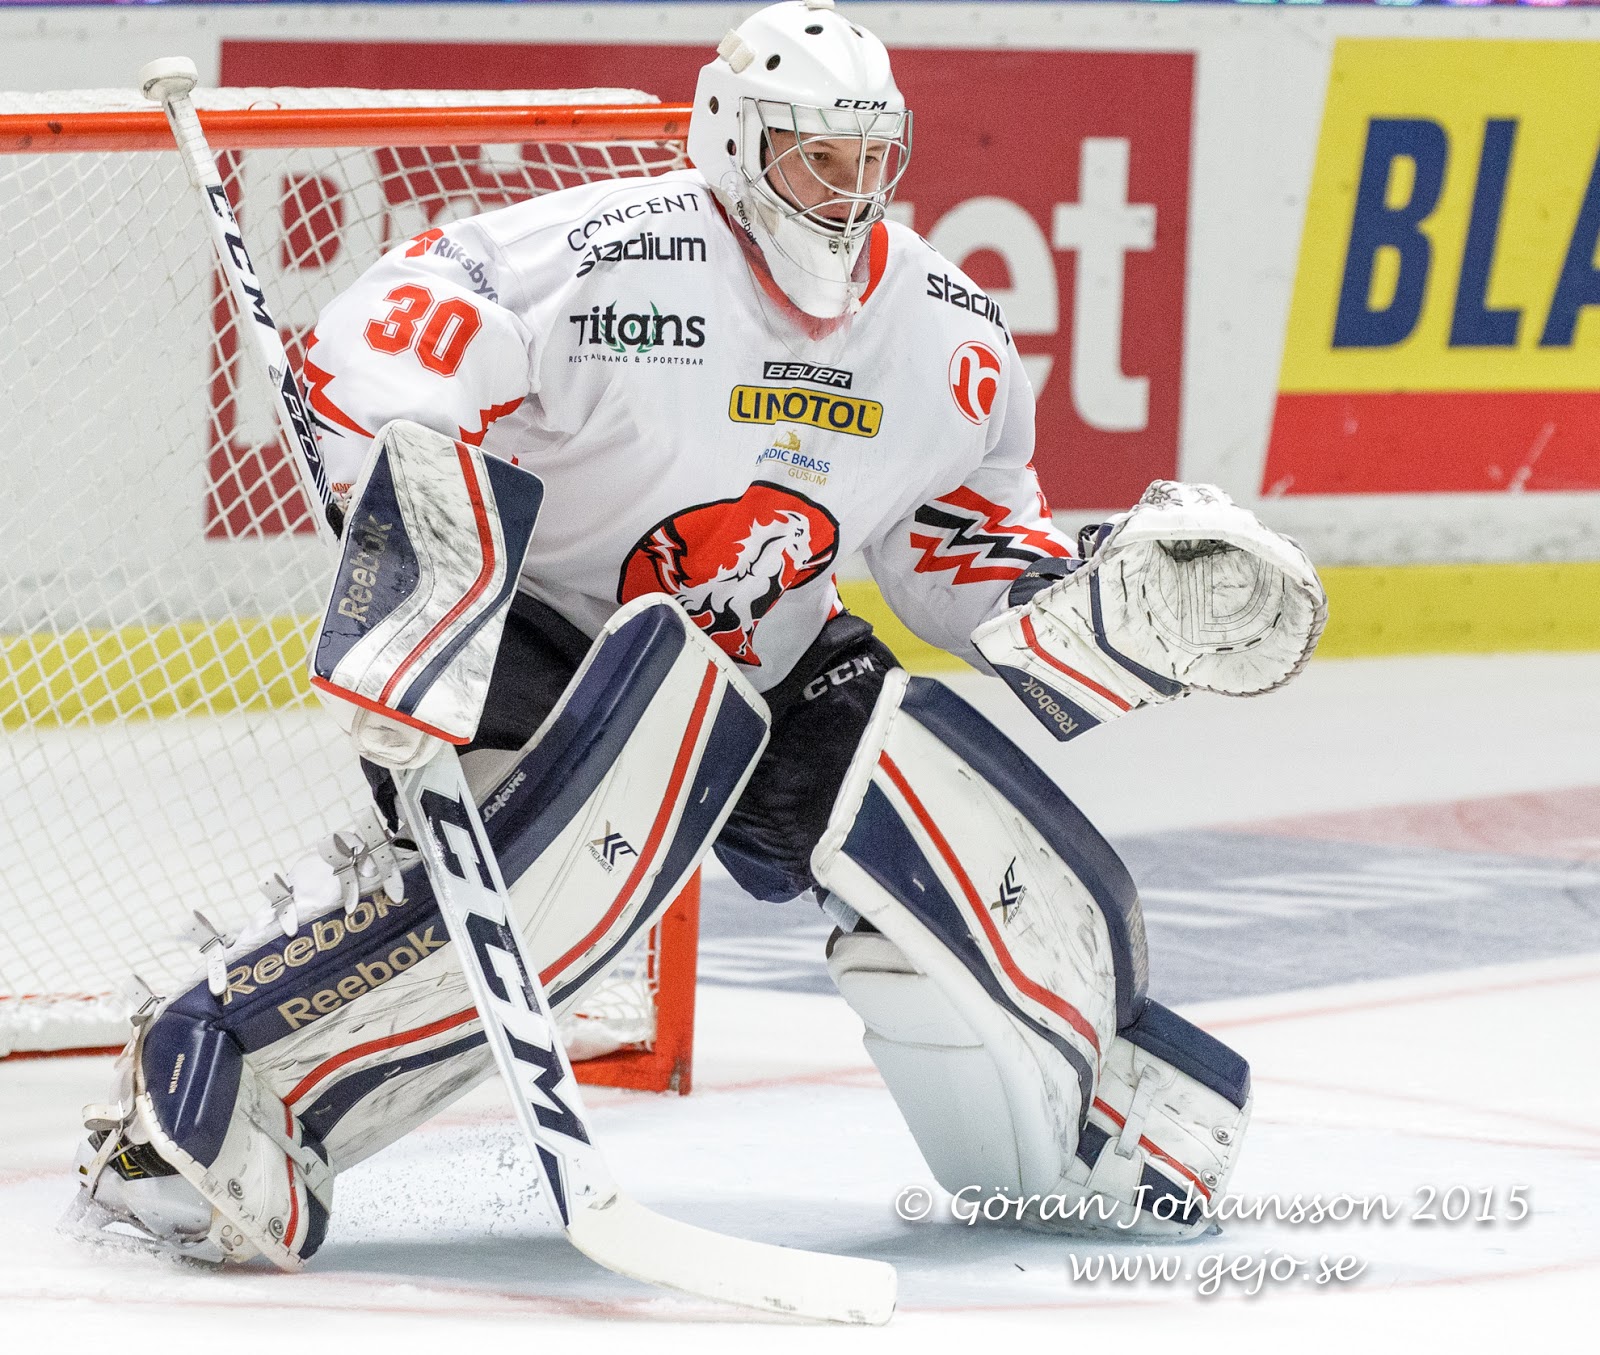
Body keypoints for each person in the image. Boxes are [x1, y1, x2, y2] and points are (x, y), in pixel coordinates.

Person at [68, 0, 1323, 1268]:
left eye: (867, 160)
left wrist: (1081, 592)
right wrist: (422, 513)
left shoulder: (946, 331)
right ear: (732, 137)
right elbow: (394, 322)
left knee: (954, 833)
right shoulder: (614, 252)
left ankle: (1081, 1123)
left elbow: (954, 542)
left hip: (773, 657)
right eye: (812, 158)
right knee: (549, 895)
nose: (844, 193)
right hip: (543, 636)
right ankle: (208, 1084)